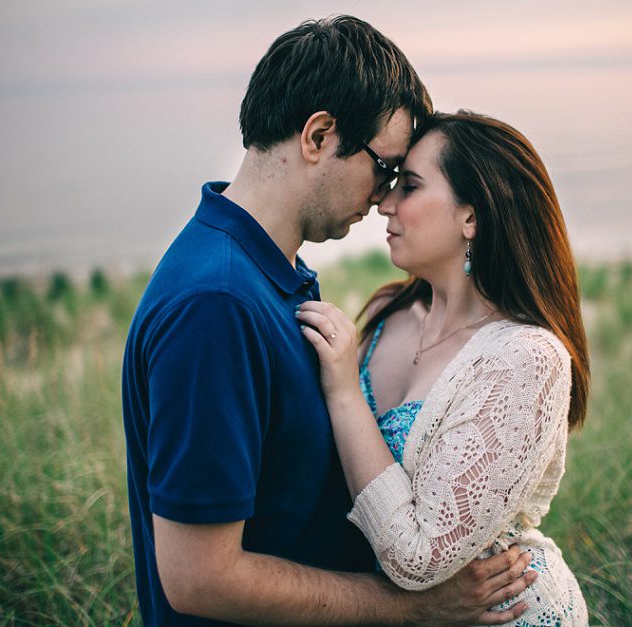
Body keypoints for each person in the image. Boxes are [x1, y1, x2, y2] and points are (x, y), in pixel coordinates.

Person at [121, 17, 538, 626]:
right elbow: (199, 579)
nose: (383, 197)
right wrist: (413, 608)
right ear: (318, 135)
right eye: (385, 168)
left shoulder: (271, 270)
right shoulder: (216, 305)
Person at [296, 111, 590, 626]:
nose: (384, 203)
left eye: (409, 186)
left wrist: (344, 391)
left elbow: (418, 557)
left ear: (470, 218)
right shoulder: (389, 311)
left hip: (506, 611)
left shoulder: (526, 359)